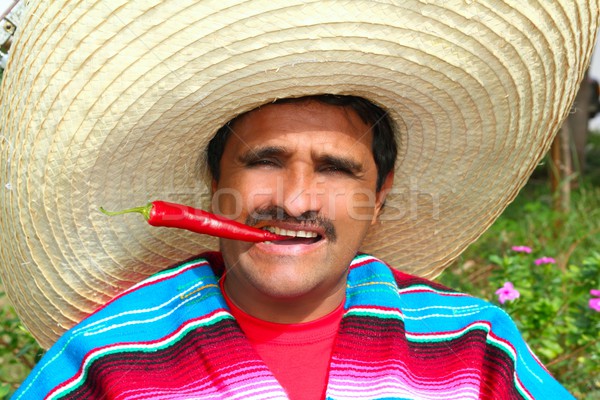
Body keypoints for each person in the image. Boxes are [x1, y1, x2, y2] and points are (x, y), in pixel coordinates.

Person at [1, 1, 597, 399]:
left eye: (337, 170)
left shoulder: (472, 349)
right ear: (215, 183)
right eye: (264, 161)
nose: (295, 201)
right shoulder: (107, 363)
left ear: (380, 196)